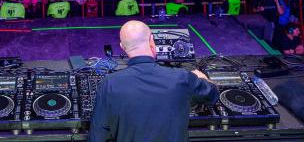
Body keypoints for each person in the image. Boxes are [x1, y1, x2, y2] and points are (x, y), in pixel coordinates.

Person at [88, 21, 218, 142]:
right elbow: (212, 95)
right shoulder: (182, 77)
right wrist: (201, 77)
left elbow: (97, 136)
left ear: (122, 46)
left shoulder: (109, 83)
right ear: (151, 40)